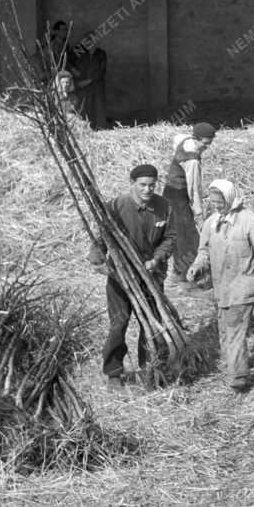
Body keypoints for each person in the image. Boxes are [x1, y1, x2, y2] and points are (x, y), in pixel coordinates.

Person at [88, 164, 176, 389]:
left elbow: (170, 238)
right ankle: (114, 372)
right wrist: (100, 263)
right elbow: (100, 241)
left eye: (151, 185)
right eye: (142, 185)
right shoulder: (116, 207)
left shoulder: (163, 206)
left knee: (152, 323)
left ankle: (150, 368)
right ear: (132, 184)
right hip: (121, 278)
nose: (147, 190)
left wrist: (156, 259)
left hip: (151, 276)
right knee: (119, 324)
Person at [187, 179, 254, 392]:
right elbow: (204, 250)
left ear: (230, 197)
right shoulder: (211, 222)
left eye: (220, 201)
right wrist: (197, 266)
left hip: (244, 283)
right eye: (213, 202)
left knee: (235, 328)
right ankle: (234, 365)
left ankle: (238, 376)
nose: (217, 205)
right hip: (221, 287)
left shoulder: (248, 219)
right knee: (224, 327)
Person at [163, 122, 216, 290]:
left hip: (168, 191)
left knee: (179, 234)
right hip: (179, 196)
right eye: (204, 143)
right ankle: (185, 280)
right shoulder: (193, 161)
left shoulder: (183, 140)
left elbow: (176, 137)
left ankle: (177, 275)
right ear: (196, 138)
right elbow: (194, 190)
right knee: (188, 238)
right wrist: (199, 214)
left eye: (209, 143)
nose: (206, 147)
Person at [66, 36, 108, 129]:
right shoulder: (80, 52)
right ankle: (87, 128)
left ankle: (101, 129)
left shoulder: (101, 54)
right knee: (85, 108)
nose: (90, 43)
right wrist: (73, 70)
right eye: (88, 41)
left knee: (99, 108)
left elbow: (102, 71)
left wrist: (88, 81)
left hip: (96, 85)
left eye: (93, 40)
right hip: (83, 86)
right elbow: (67, 60)